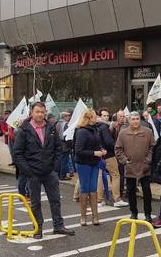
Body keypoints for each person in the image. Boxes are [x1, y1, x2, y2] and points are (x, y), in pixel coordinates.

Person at [14, 102, 75, 239]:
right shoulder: (24, 130)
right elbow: (17, 154)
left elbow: (58, 148)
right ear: (31, 113)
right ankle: (37, 228)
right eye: (37, 112)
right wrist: (28, 171)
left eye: (42, 112)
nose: (40, 114)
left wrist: (55, 167)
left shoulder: (51, 128)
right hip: (33, 172)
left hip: (49, 172)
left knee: (55, 200)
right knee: (35, 202)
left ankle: (58, 225)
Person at [115, 112, 155, 222]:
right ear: (129, 120)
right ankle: (133, 212)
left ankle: (148, 214)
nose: (135, 121)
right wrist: (125, 161)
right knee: (131, 191)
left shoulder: (148, 132)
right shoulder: (123, 133)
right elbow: (118, 149)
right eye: (133, 119)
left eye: (137, 118)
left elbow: (153, 147)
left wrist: (148, 160)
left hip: (144, 166)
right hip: (130, 167)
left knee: (147, 191)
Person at [74, 109, 106, 226]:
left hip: (94, 162)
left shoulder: (95, 129)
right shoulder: (82, 131)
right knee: (84, 188)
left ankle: (95, 216)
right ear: (89, 118)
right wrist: (94, 153)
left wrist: (101, 149)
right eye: (94, 116)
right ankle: (83, 217)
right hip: (84, 163)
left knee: (93, 188)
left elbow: (98, 143)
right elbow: (78, 150)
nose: (96, 118)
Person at [97, 107, 123, 207]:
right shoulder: (104, 127)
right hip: (108, 154)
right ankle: (117, 199)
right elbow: (109, 141)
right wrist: (116, 148)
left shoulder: (96, 126)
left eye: (108, 115)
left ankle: (100, 200)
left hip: (99, 154)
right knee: (115, 175)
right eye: (104, 115)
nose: (106, 117)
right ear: (99, 116)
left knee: (99, 176)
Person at [110, 110, 128, 201]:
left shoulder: (126, 126)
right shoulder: (113, 126)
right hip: (114, 152)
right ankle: (116, 191)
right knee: (115, 173)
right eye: (120, 116)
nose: (122, 118)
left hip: (122, 153)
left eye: (123, 116)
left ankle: (120, 191)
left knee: (121, 173)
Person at [57, 110, 73, 181]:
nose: (69, 117)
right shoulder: (66, 124)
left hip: (58, 144)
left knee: (60, 160)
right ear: (64, 117)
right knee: (64, 161)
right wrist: (71, 145)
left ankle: (59, 175)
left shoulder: (57, 123)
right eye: (68, 116)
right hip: (65, 145)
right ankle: (63, 175)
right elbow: (66, 136)